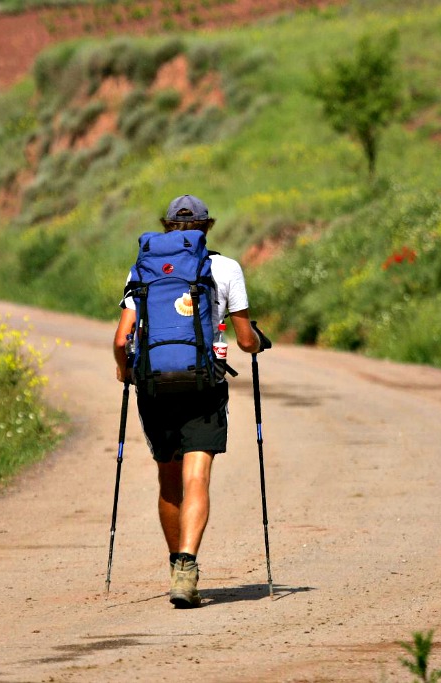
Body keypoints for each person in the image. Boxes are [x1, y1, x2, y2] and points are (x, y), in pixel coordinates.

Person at [113, 194, 265, 608]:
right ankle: (188, 564)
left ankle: (173, 565)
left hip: (155, 385)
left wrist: (125, 371)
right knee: (196, 477)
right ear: (206, 227)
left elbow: (122, 339)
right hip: (203, 384)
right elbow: (246, 338)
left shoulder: (144, 267)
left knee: (168, 480)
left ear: (166, 227)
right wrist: (255, 344)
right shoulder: (226, 267)